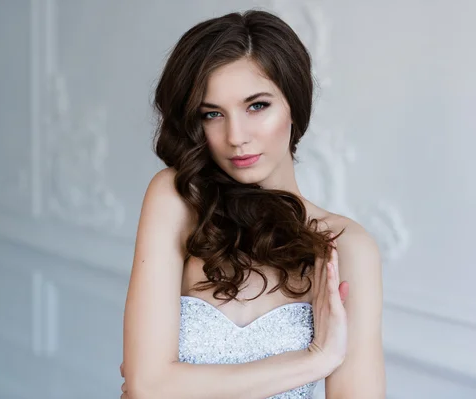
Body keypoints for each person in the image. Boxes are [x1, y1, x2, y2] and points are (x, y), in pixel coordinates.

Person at [120, 9, 385, 399]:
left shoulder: (345, 246)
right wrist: (316, 359)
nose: (236, 136)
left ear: (294, 104)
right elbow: (150, 385)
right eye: (213, 114)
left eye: (257, 106)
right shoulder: (177, 199)